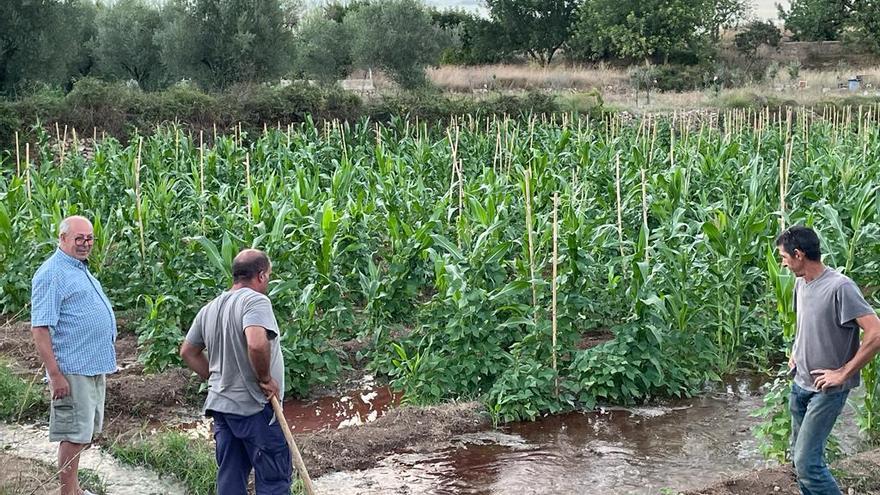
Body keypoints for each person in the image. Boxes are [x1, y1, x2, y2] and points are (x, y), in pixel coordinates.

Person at [777, 225, 880, 495]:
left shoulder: (840, 287)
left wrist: (843, 372)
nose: (783, 264)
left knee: (807, 464)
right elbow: (807, 323)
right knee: (801, 462)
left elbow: (876, 332)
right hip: (800, 385)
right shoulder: (801, 284)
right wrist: (796, 352)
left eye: (784, 258)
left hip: (826, 390)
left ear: (798, 255)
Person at [180, 249, 291, 495]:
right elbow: (256, 342)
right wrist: (265, 378)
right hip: (255, 407)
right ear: (261, 276)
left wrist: (217, 377)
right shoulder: (255, 301)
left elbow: (188, 351)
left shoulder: (210, 307)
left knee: (230, 479)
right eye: (268, 276)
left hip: (222, 407)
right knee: (274, 480)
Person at [31, 215, 117, 495]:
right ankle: (67, 492)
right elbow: (41, 328)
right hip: (71, 367)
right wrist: (55, 375)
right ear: (63, 238)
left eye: (89, 238)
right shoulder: (52, 273)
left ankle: (74, 489)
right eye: (79, 238)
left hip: (91, 364)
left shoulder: (78, 268)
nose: (85, 244)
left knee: (84, 431)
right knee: (73, 432)